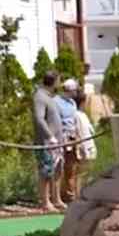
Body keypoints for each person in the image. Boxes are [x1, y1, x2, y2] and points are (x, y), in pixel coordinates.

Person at [32, 70, 66, 212]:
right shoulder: (39, 96)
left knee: (58, 170)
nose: (60, 83)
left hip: (57, 142)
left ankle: (56, 199)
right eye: (59, 80)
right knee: (46, 171)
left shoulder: (50, 97)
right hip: (46, 143)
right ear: (54, 81)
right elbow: (39, 118)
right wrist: (50, 136)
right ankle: (46, 202)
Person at [55, 78, 79, 202]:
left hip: (72, 138)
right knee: (59, 168)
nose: (76, 92)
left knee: (71, 167)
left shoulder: (72, 103)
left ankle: (70, 194)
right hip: (61, 138)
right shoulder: (56, 102)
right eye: (74, 90)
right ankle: (57, 196)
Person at [74, 91, 97, 198]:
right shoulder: (76, 115)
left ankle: (87, 193)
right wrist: (81, 147)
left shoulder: (83, 115)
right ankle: (78, 195)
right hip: (84, 146)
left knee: (89, 171)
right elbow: (79, 132)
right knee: (81, 172)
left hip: (90, 145)